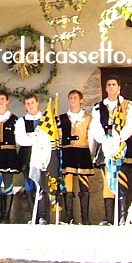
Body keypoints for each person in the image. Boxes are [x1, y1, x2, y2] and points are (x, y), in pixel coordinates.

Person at [90, 76, 132, 226]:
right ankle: (109, 217)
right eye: (108, 85)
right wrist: (105, 140)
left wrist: (118, 139)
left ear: (119, 88)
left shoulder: (128, 105)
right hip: (105, 144)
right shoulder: (98, 107)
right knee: (107, 180)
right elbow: (95, 126)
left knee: (121, 178)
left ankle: (123, 216)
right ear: (105, 88)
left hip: (122, 144)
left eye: (113, 85)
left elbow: (131, 125)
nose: (111, 87)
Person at [59, 90, 96, 225]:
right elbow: (59, 135)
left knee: (83, 185)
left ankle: (85, 218)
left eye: (75, 98)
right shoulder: (62, 118)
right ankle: (68, 216)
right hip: (67, 152)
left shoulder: (88, 118)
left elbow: (91, 137)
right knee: (68, 184)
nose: (73, 100)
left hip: (83, 152)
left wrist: (91, 153)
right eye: (70, 98)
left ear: (81, 100)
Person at [14, 93, 48, 224]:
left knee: (41, 183)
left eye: (32, 103)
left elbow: (47, 138)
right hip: (27, 155)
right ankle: (33, 215)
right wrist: (36, 138)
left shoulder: (45, 119)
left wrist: (31, 136)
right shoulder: (21, 121)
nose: (30, 106)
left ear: (37, 103)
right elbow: (21, 140)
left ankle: (42, 216)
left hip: (42, 155)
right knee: (29, 184)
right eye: (27, 104)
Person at [0, 89, 20, 223]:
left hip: (9, 154)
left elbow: (18, 139)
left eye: (2, 99)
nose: (0, 102)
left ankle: (5, 216)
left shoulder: (14, 119)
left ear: (7, 101)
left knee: (8, 183)